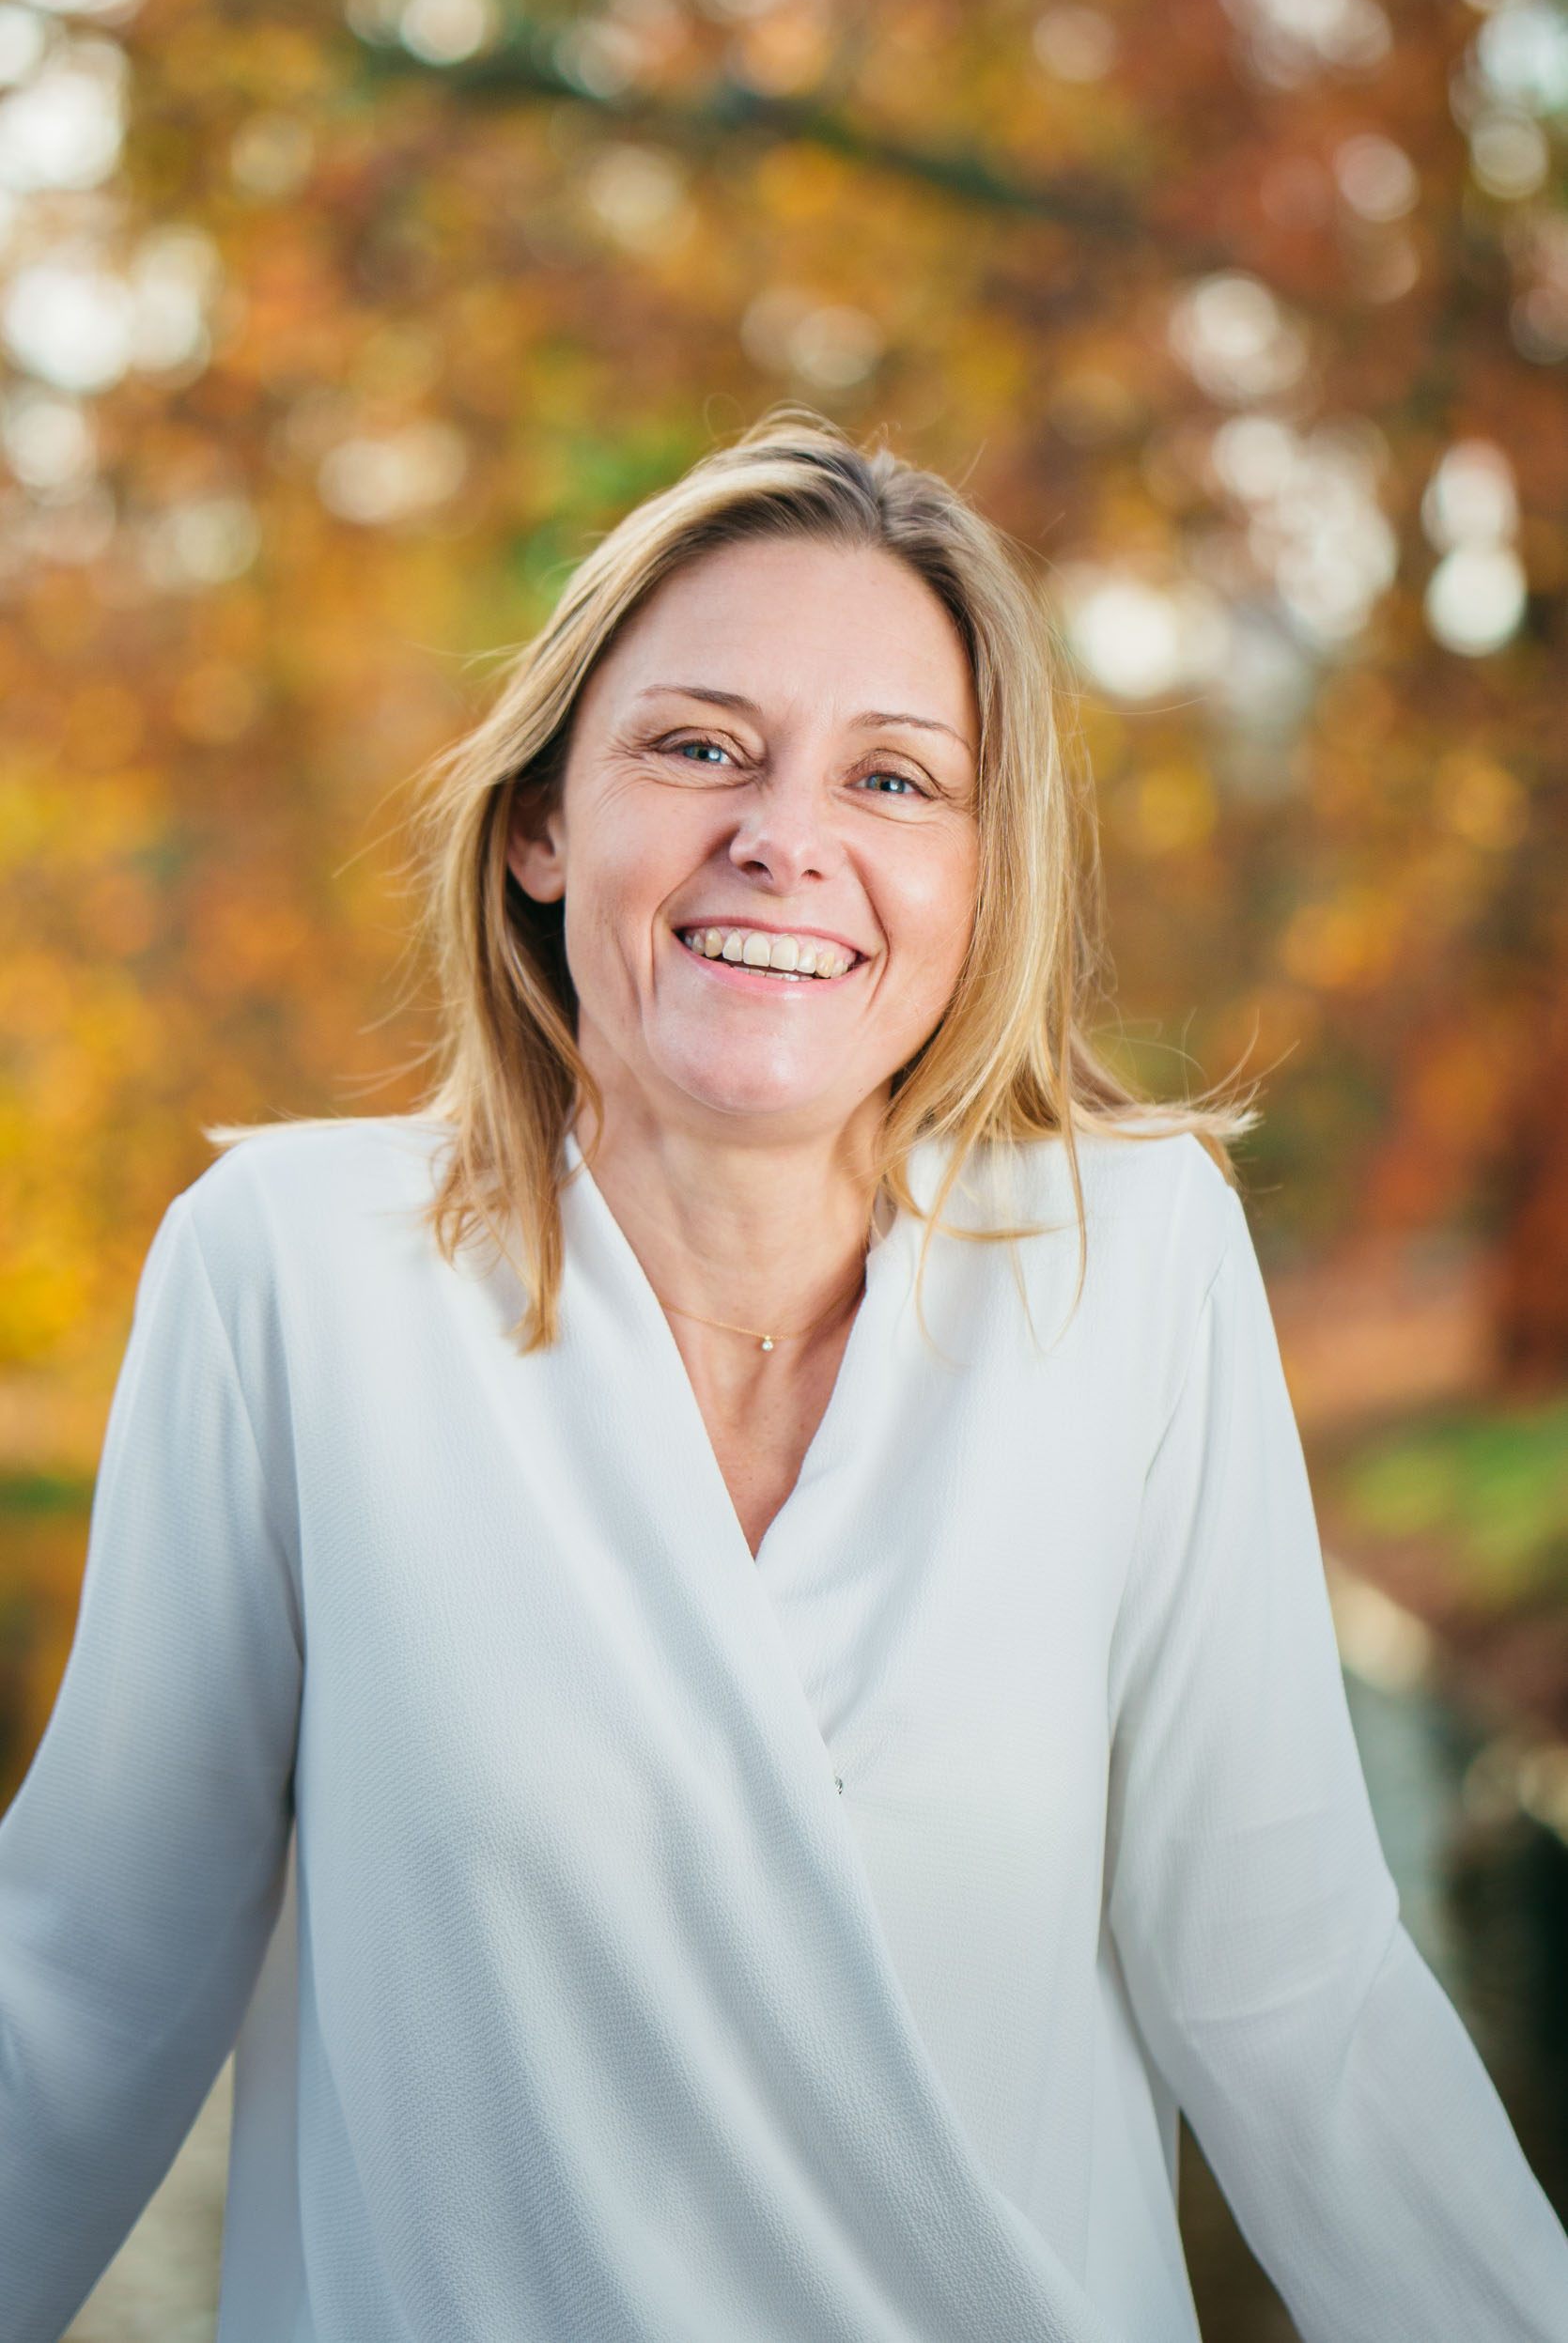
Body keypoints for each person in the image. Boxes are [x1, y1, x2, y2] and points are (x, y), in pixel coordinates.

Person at [1, 415, 1564, 2343]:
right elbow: (79, 1980)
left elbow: (1293, 1997)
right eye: (697, 743)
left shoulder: (1129, 1262)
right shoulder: (294, 1276)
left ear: (982, 880)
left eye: (895, 776)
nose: (785, 835)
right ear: (540, 822)